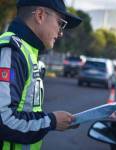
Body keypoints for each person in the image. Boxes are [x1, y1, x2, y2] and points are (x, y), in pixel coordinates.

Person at [0, 0, 81, 149]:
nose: (61, 32)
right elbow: (3, 119)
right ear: (40, 15)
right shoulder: (11, 51)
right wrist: (51, 121)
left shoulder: (27, 52)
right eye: (60, 23)